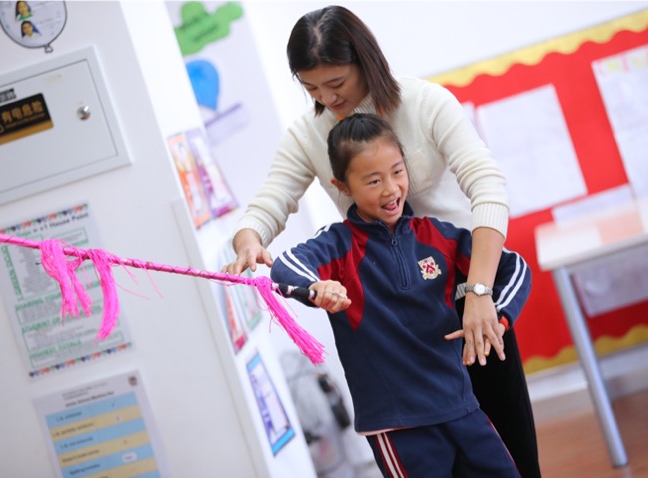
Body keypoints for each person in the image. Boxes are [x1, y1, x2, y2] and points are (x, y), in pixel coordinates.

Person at [222, 7, 537, 474]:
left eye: (336, 84)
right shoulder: (311, 133)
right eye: (311, 88)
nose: (327, 99)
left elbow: (487, 186)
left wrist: (479, 293)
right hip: (397, 324)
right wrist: (249, 238)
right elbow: (270, 202)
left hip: (468, 296)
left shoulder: (425, 102)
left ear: (364, 62)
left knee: (507, 453)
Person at [272, 114, 529, 477]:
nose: (391, 189)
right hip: (397, 425)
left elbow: (514, 268)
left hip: (463, 406)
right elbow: (286, 266)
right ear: (342, 186)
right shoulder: (337, 245)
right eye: (373, 180)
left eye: (397, 172)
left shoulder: (439, 236)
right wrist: (317, 288)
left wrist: (495, 316)